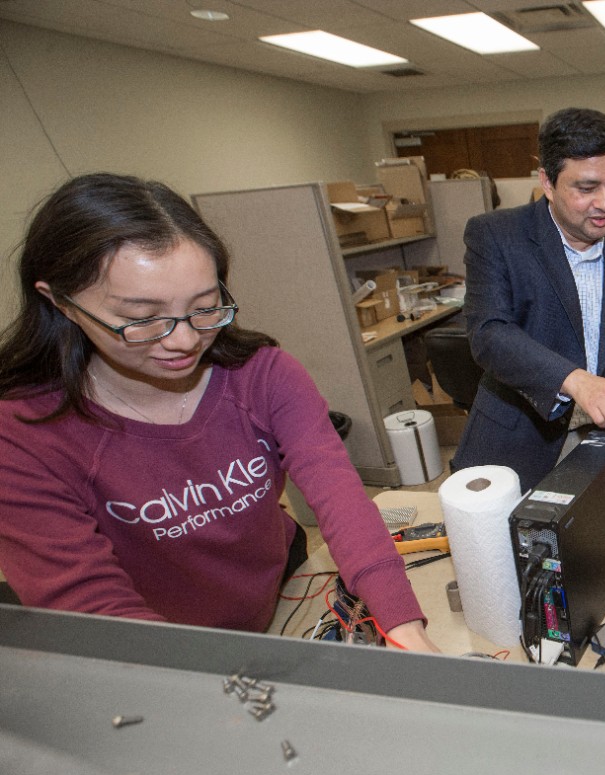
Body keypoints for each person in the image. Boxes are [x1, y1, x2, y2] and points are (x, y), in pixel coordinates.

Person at [0, 173, 438, 652]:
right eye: (143, 318)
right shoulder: (23, 434)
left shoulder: (263, 374)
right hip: (167, 644)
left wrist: (403, 626)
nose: (184, 340)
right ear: (60, 302)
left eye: (205, 307)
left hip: (282, 589)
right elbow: (91, 606)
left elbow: (339, 495)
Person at [451, 107, 605, 490]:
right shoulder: (496, 235)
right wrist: (575, 381)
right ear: (548, 182)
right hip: (516, 443)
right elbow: (489, 333)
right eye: (586, 188)